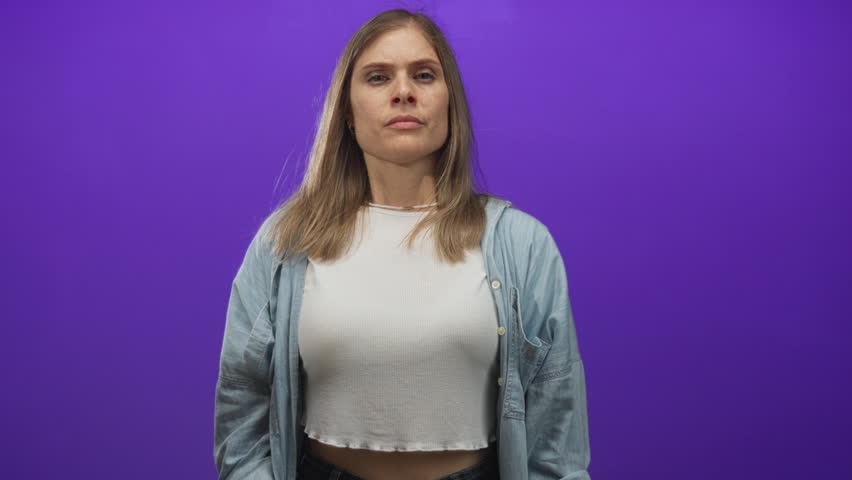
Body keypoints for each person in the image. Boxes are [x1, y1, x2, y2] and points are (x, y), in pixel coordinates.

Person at [214, 8, 591, 480]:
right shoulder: (286, 242)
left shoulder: (523, 245)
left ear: (449, 103)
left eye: (424, 75)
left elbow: (556, 435)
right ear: (347, 113)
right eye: (377, 77)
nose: (404, 91)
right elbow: (242, 409)